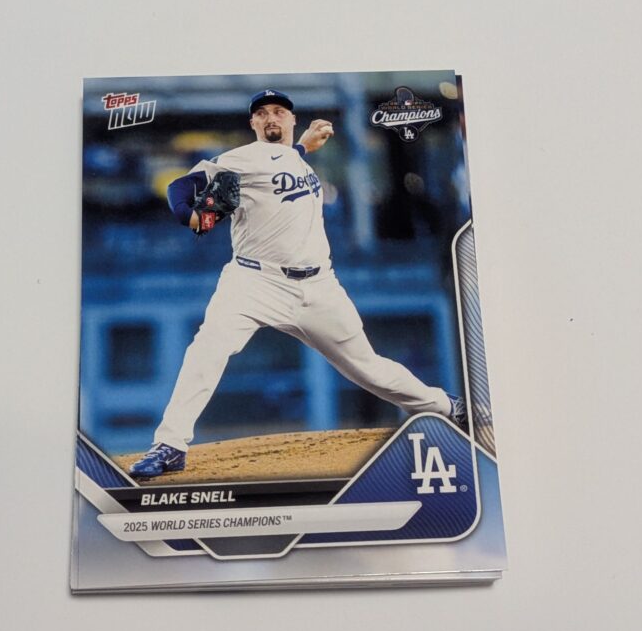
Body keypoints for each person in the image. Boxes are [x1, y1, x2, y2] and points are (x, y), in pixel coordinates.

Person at [131, 89, 466, 477]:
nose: (270, 117)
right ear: (253, 124)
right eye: (261, 113)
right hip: (254, 282)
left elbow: (282, 163)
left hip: (319, 287)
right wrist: (192, 217)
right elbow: (179, 188)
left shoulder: (295, 158)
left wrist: (303, 147)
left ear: (292, 120)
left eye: (279, 111)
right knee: (207, 350)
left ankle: (446, 406)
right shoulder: (242, 158)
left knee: (369, 369)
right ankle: (170, 445)